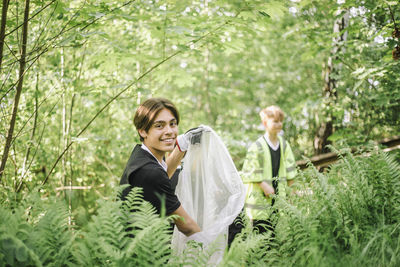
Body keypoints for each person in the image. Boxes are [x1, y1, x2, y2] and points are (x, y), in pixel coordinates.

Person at [119, 97, 204, 237]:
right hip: (143, 253)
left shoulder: (141, 155)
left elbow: (163, 174)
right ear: (142, 131)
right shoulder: (149, 172)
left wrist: (180, 147)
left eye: (173, 124)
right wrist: (214, 250)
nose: (169, 131)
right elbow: (187, 226)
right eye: (159, 126)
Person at [241, 105, 297, 234]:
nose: (279, 124)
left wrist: (292, 191)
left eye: (280, 121)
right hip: (261, 200)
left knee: (279, 236)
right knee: (262, 238)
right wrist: (263, 185)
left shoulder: (284, 145)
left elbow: (290, 171)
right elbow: (249, 171)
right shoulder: (257, 146)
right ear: (265, 123)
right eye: (275, 121)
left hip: (279, 198)